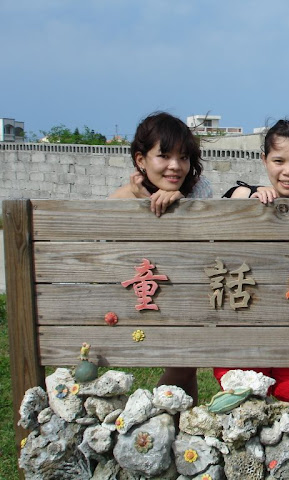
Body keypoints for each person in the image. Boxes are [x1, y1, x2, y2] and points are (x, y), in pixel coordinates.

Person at [214, 119, 289, 402]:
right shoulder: (247, 197)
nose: (288, 171)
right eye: (278, 161)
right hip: (244, 333)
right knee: (243, 401)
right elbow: (231, 198)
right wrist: (250, 196)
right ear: (264, 160)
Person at [109, 111, 213, 403]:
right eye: (164, 156)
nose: (175, 166)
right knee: (183, 365)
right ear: (141, 160)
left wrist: (181, 204)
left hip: (186, 292)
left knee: (186, 366)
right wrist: (143, 203)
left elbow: (204, 243)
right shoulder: (122, 199)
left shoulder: (198, 188)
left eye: (183, 157)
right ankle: (152, 418)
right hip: (145, 297)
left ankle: (174, 423)